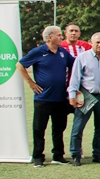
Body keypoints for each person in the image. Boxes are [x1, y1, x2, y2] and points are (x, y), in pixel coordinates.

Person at [16, 25, 74, 167]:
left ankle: (58, 155)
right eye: (59, 35)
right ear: (50, 37)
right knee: (39, 128)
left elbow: (75, 64)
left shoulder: (62, 52)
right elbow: (19, 65)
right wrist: (31, 83)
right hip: (43, 98)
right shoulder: (38, 51)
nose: (62, 37)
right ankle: (38, 157)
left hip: (60, 98)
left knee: (59, 128)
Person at [67, 32, 100, 166]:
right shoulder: (82, 58)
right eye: (97, 42)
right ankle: (76, 155)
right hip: (87, 96)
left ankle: (98, 154)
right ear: (91, 43)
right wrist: (72, 96)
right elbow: (75, 78)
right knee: (78, 127)